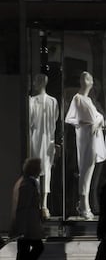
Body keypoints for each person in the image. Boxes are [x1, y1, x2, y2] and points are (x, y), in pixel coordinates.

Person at [65, 71, 106, 220]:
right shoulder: (78, 99)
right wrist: (88, 123)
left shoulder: (88, 100)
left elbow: (99, 116)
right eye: (86, 78)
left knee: (90, 169)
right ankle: (84, 205)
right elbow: (70, 118)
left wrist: (98, 120)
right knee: (85, 170)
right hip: (86, 137)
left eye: (89, 78)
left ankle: (84, 204)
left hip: (93, 137)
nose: (88, 81)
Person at [29, 74, 59, 219]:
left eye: (35, 81)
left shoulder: (33, 101)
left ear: (41, 82)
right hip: (46, 139)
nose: (33, 83)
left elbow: (30, 121)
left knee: (39, 169)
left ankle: (42, 205)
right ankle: (43, 205)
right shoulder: (52, 101)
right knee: (44, 170)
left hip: (39, 138)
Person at [9, 158, 44, 260]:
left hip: (27, 226)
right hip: (27, 227)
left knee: (23, 251)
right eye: (38, 168)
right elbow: (23, 208)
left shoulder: (25, 182)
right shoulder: (26, 184)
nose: (40, 170)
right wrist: (22, 229)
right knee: (37, 247)